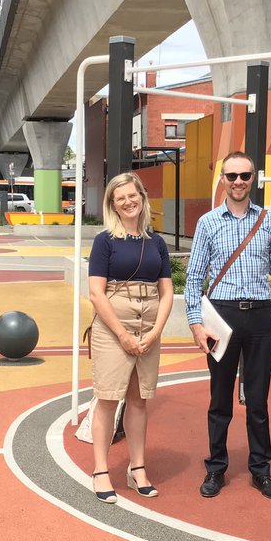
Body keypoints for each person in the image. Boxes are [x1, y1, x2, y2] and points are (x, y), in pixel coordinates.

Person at [185, 152, 271, 500]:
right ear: (223, 180)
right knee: (220, 399)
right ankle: (216, 468)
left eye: (245, 175)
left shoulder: (269, 220)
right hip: (222, 316)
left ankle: (261, 470)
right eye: (231, 176)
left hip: (260, 315)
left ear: (254, 178)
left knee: (258, 400)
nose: (238, 182)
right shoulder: (208, 223)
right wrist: (196, 324)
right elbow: (195, 277)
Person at [86, 172, 173, 503]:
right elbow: (96, 293)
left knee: (139, 400)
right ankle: (100, 470)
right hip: (113, 328)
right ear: (112, 204)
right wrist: (122, 335)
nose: (128, 201)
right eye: (120, 197)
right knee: (108, 399)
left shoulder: (157, 242)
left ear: (142, 197)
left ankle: (137, 469)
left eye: (132, 195)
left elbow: (166, 292)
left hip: (148, 327)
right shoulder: (105, 241)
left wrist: (154, 332)